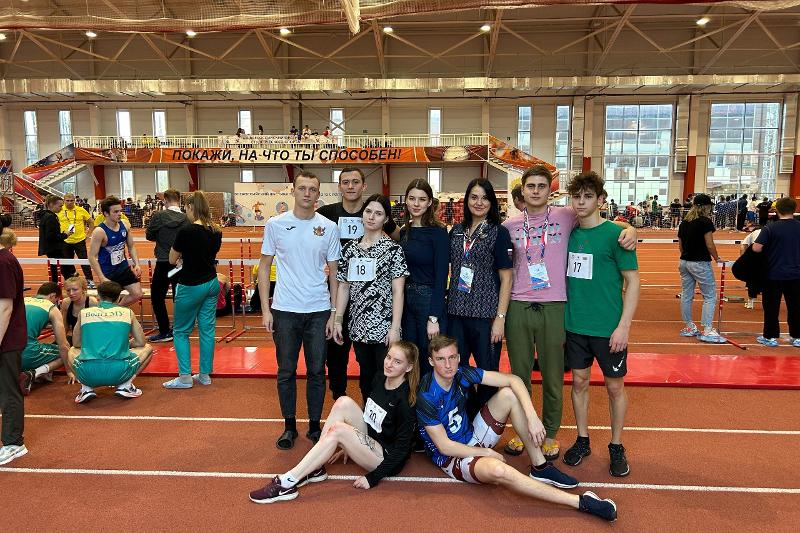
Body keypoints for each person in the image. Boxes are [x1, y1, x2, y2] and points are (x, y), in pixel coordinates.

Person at [501, 165, 636, 460]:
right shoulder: (509, 226)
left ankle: (549, 433)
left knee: (552, 376)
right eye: (531, 186)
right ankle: (522, 430)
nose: (536, 191)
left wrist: (630, 229)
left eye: (542, 186)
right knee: (519, 377)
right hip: (518, 305)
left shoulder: (567, 216)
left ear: (550, 191)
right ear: (522, 191)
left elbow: (599, 220)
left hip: (555, 306)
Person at [417, 335, 618, 522]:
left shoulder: (462, 373)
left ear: (459, 357)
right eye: (441, 359)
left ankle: (540, 467)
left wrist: (532, 417)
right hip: (454, 458)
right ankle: (580, 502)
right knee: (498, 470)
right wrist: (486, 453)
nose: (448, 364)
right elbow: (445, 447)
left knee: (509, 394)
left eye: (452, 357)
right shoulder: (426, 396)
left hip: (472, 435)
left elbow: (513, 380)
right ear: (431, 361)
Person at [249, 341, 419, 503]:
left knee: (338, 430)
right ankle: (316, 468)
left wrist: (372, 478)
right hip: (374, 440)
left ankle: (286, 483)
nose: (389, 364)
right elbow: (370, 415)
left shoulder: (405, 402)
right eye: (388, 357)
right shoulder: (380, 377)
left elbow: (402, 451)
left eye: (397, 362)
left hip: (386, 457)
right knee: (343, 402)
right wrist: (353, 444)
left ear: (409, 367)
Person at [562, 172, 640, 478]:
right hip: (575, 326)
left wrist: (624, 327)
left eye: (588, 196)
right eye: (576, 197)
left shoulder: (617, 236)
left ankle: (616, 445)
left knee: (614, 387)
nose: (581, 202)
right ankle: (582, 440)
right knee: (579, 383)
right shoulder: (569, 234)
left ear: (601, 200)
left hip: (609, 329)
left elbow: (633, 283)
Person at [258, 171, 341, 449]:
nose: (307, 193)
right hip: (284, 311)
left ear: (318, 194)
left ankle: (315, 426)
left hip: (318, 310)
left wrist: (333, 313)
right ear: (293, 190)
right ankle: (289, 427)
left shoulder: (329, 227)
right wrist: (266, 310)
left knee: (317, 370)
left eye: (312, 189)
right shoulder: (275, 224)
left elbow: (335, 273)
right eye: (302, 188)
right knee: (286, 370)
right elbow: (264, 267)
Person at [317, 168, 399, 399]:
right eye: (345, 182)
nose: (350, 186)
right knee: (336, 351)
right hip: (339, 293)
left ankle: (373, 402)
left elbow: (399, 236)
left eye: (355, 182)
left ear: (364, 186)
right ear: (339, 187)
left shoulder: (373, 210)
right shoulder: (326, 214)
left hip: (371, 302)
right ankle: (339, 396)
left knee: (370, 360)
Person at [333, 194, 408, 403]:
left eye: (378, 213)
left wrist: (395, 328)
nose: (371, 217)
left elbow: (398, 291)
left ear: (386, 219)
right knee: (365, 379)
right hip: (358, 327)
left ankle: (387, 421)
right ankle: (369, 418)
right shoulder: (349, 249)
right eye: (368, 211)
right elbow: (344, 287)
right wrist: (338, 320)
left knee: (386, 377)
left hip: (384, 328)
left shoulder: (393, 250)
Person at [446, 178, 513, 411]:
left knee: (488, 372)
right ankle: (466, 417)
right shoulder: (456, 231)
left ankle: (487, 422)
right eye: (474, 197)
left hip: (486, 315)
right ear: (466, 200)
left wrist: (500, 318)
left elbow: (507, 278)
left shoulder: (499, 232)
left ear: (492, 202)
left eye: (485, 198)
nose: (479, 202)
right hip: (456, 313)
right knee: (457, 370)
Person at [162, 191, 223, 389]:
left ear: (190, 207)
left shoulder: (186, 231)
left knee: (181, 331)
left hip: (191, 285)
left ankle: (185, 377)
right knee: (207, 330)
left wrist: (184, 258)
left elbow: (172, 259)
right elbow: (209, 255)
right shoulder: (216, 230)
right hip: (211, 283)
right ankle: (204, 375)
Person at [67, 281, 153, 403]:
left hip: (88, 373)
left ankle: (86, 388)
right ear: (118, 298)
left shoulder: (83, 313)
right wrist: (125, 345)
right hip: (119, 372)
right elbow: (141, 342)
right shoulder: (127, 312)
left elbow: (76, 343)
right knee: (148, 348)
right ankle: (126, 385)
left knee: (71, 350)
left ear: (98, 296)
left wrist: (93, 345)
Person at [399, 179, 449, 374]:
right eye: (412, 199)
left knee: (429, 358)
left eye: (421, 199)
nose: (416, 204)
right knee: (410, 358)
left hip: (428, 300)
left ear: (429, 202)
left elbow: (442, 276)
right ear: (406, 201)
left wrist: (434, 317)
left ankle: (429, 394)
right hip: (406, 301)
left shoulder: (438, 233)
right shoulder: (405, 231)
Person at [752, 197, 800, 347]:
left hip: (773, 273)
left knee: (771, 307)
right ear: (794, 210)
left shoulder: (770, 228)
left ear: (777, 210)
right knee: (796, 306)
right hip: (796, 274)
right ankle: (797, 336)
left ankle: (770, 336)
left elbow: (756, 248)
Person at [677, 193, 725, 343]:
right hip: (700, 263)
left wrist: (687, 256)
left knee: (686, 295)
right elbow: (709, 244)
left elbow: (680, 245)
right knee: (710, 296)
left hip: (684, 262)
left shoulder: (684, 222)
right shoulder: (705, 222)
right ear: (706, 206)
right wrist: (717, 258)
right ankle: (707, 329)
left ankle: (689, 326)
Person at [0, 215, 28, 465]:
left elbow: (5, 307)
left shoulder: (3, 262)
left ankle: (13, 443)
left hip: (6, 340)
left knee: (8, 391)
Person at [146, 188, 190, 342]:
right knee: (180, 296)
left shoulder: (159, 216)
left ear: (165, 200)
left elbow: (149, 235)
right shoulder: (186, 219)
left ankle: (165, 331)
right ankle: (181, 328)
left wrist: (161, 237)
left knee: (157, 296)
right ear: (179, 200)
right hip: (180, 264)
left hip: (164, 263)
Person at [88, 196, 143, 307]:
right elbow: (92, 257)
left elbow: (131, 246)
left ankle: (118, 309)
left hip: (123, 269)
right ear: (106, 213)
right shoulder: (100, 231)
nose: (119, 214)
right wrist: (102, 277)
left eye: (120, 211)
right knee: (106, 304)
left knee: (137, 294)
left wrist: (137, 264)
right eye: (115, 212)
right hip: (108, 273)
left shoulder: (125, 224)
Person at [19, 283, 70, 395]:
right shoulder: (51, 308)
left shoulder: (22, 301)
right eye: (56, 300)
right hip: (27, 353)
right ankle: (34, 373)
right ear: (52, 296)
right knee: (68, 353)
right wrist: (69, 371)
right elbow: (63, 345)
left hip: (7, 353)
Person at [58, 192, 95, 288]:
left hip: (80, 240)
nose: (69, 202)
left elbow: (91, 222)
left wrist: (88, 234)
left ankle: (90, 280)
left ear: (75, 201)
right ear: (64, 201)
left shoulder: (80, 210)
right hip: (65, 241)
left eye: (71, 201)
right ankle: (73, 277)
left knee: (84, 261)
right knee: (67, 262)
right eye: (67, 200)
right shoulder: (59, 210)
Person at [39, 194, 74, 282]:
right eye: (60, 206)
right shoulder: (50, 217)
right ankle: (70, 285)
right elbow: (50, 236)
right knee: (65, 270)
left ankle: (55, 286)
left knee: (55, 270)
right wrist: (65, 235)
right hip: (54, 248)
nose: (61, 208)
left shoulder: (46, 215)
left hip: (51, 248)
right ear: (51, 205)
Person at [60, 276, 98, 345]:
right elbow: (65, 325)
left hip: (91, 339)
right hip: (75, 339)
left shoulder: (92, 302)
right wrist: (62, 342)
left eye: (75, 290)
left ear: (83, 289)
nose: (71, 293)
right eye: (68, 290)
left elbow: (97, 327)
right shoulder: (66, 303)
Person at [740, 228, 762, 309]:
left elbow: (743, 245)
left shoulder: (753, 233)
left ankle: (750, 303)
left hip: (755, 256)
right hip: (769, 257)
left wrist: (743, 259)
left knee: (752, 279)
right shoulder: (772, 231)